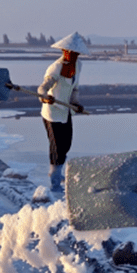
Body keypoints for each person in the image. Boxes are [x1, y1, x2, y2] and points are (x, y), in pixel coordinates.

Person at [38, 32, 89, 192]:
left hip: (66, 111)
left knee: (66, 144)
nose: (72, 56)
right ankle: (54, 180)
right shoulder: (56, 67)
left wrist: (76, 103)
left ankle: (58, 173)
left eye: (75, 54)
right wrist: (45, 97)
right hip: (52, 112)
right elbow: (42, 88)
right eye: (69, 53)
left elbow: (75, 89)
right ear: (64, 51)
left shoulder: (78, 66)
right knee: (56, 146)